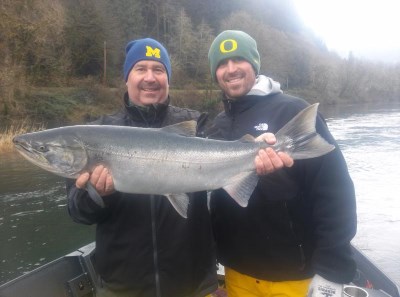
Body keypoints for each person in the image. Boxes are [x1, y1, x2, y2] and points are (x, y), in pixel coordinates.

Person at [66, 37, 292, 297]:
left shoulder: (198, 124)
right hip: (123, 286)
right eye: (141, 69)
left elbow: (236, 139)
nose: (150, 77)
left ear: (168, 78)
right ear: (126, 77)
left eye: (158, 70)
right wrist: (97, 196)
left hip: (193, 284)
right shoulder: (95, 134)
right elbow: (78, 213)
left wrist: (259, 145)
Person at [207, 30, 357, 297]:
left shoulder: (291, 111)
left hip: (293, 274)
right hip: (238, 272)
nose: (230, 69)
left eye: (238, 60)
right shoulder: (217, 126)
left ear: (254, 64)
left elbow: (335, 190)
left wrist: (333, 267)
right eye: (221, 63)